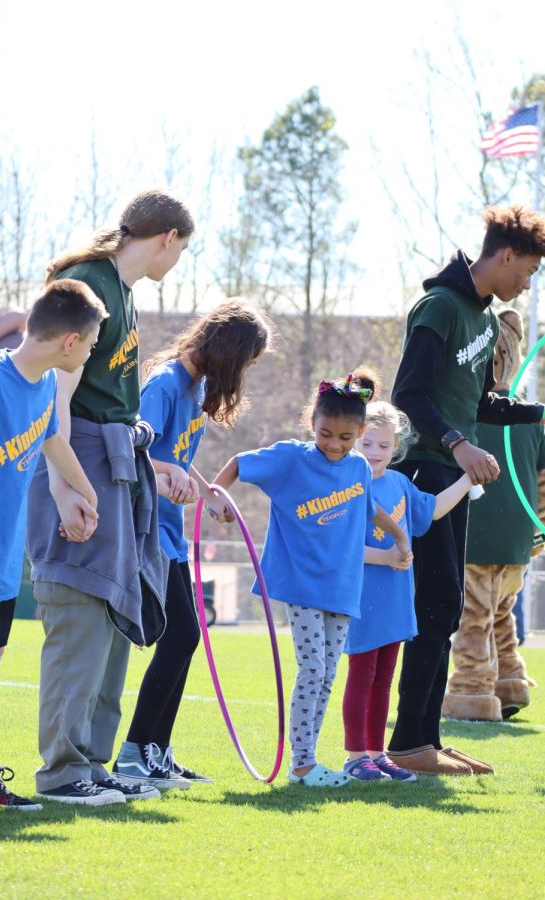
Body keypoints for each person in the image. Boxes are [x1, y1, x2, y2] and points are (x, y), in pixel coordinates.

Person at [27, 189, 196, 806]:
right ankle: (62, 771)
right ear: (168, 239)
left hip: (116, 459)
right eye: (180, 251)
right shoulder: (88, 284)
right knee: (79, 605)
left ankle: (93, 763)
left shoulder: (123, 291)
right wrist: (62, 484)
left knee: (115, 612)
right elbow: (56, 399)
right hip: (79, 457)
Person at [388, 204, 545, 775]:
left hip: (452, 479)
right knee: (434, 606)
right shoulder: (440, 307)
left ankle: (426, 738)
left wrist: (538, 414)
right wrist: (458, 444)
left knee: (447, 607)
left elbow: (477, 403)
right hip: (425, 471)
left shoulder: (482, 319)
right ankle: (409, 743)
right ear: (505, 255)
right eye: (527, 271)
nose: (526, 285)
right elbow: (409, 393)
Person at [0, 279, 104, 811]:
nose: (89, 351)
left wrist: (84, 495)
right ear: (69, 342)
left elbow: (51, 440)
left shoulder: (43, 389)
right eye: (89, 343)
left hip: (0, 561)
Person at [213, 371, 412, 788]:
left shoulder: (357, 466)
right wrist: (216, 496)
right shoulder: (291, 458)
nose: (334, 445)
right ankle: (302, 763)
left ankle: (308, 760)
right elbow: (238, 464)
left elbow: (370, 507)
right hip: (302, 583)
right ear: (312, 424)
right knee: (312, 667)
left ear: (359, 432)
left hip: (342, 588)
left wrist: (397, 534)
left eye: (344, 437)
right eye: (325, 434)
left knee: (326, 675)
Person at [112, 297, 271, 789]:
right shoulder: (164, 385)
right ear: (228, 350)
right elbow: (130, 450)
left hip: (173, 530)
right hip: (146, 527)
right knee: (181, 634)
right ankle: (135, 753)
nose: (242, 373)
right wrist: (171, 475)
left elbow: (175, 455)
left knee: (188, 636)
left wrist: (206, 493)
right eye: (245, 362)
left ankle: (156, 751)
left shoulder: (197, 386)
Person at [342, 400, 473, 782]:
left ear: (397, 448)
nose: (375, 453)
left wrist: (468, 479)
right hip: (362, 600)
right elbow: (342, 546)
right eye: (367, 444)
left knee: (383, 678)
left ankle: (376, 752)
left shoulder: (400, 484)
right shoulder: (348, 484)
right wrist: (384, 559)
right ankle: (354, 755)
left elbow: (431, 511)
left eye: (384, 446)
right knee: (361, 675)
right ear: (354, 442)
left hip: (396, 603)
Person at [442, 309, 545, 721]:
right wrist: (538, 531)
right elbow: (542, 482)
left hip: (476, 534)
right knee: (500, 612)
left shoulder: (466, 412)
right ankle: (510, 681)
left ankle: (472, 690)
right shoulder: (531, 419)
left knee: (473, 615)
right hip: (518, 539)